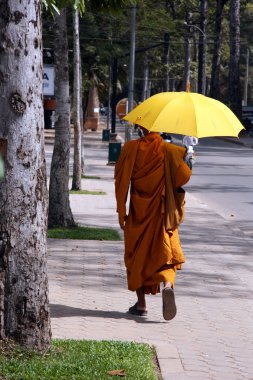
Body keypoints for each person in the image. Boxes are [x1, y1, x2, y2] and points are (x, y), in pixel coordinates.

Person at [114, 127, 192, 320]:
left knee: (136, 257)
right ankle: (167, 285)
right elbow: (184, 177)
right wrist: (187, 158)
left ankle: (141, 305)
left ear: (141, 128)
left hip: (138, 213)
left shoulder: (131, 148)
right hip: (162, 214)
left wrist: (121, 211)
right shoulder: (170, 150)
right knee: (166, 254)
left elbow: (121, 182)